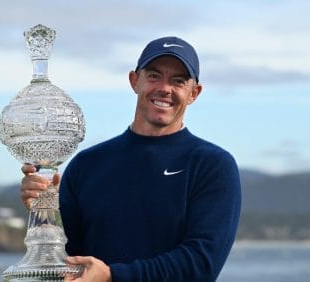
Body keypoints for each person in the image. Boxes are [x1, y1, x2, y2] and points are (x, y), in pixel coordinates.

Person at [20, 36, 242, 281]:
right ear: (134, 81)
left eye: (178, 81)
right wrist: (45, 213)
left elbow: (201, 263)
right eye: (154, 76)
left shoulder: (212, 166)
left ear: (194, 93)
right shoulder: (87, 165)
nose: (165, 89)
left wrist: (113, 276)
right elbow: (60, 262)